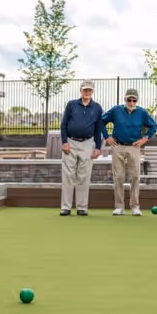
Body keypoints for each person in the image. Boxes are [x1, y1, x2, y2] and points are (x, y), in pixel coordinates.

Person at [101, 88, 157, 216]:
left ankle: (135, 206)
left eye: (134, 100)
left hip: (134, 147)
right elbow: (101, 121)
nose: (131, 102)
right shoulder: (116, 110)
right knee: (119, 177)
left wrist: (144, 138)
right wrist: (107, 136)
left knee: (135, 176)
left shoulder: (142, 112)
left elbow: (153, 126)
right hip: (118, 146)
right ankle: (119, 206)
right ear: (125, 99)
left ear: (137, 100)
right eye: (129, 100)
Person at [59, 79, 103, 216]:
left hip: (88, 143)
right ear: (81, 90)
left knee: (84, 176)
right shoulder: (72, 105)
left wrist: (98, 147)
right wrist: (64, 142)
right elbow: (64, 125)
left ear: (92, 91)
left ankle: (82, 207)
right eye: (85, 90)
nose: (87, 92)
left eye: (89, 90)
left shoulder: (97, 108)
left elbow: (98, 129)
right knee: (68, 175)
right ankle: (65, 207)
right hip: (71, 143)